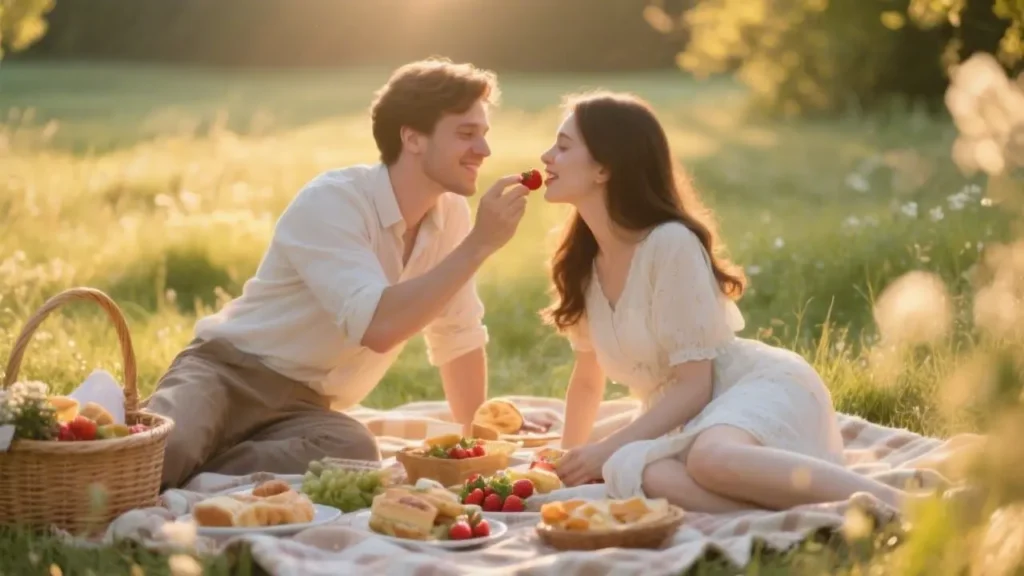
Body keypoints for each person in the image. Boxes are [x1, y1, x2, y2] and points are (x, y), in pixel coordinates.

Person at [146, 58, 534, 489]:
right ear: (413, 138)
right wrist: (479, 245)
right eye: (466, 133)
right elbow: (379, 327)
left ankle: (202, 474)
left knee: (354, 451)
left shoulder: (451, 215)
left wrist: (476, 446)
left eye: (484, 134)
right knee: (165, 452)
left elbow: (457, 335)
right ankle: (177, 455)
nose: (484, 150)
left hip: (305, 410)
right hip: (225, 373)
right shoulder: (332, 202)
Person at [539, 90, 920, 512]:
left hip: (750, 389)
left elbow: (696, 386)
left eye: (563, 146)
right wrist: (565, 465)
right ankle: (782, 515)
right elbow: (588, 380)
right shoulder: (582, 263)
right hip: (680, 419)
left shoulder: (669, 243)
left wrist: (604, 448)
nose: (545, 155)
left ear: (604, 168)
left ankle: (903, 506)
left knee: (707, 460)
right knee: (642, 471)